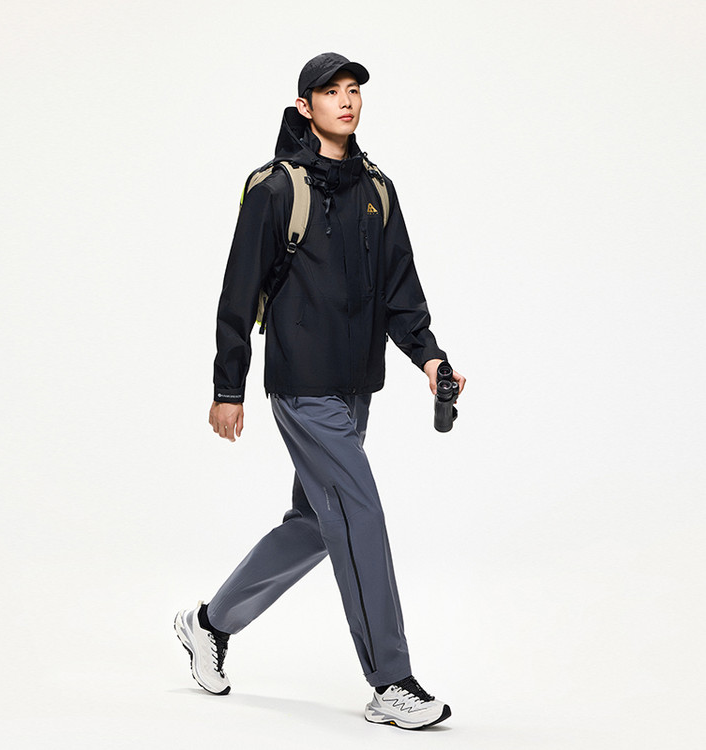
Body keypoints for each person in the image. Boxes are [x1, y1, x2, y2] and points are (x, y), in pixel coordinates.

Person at [174, 52, 466, 730]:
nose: (347, 100)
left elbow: (401, 291)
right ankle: (391, 681)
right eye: (331, 91)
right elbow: (237, 292)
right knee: (360, 512)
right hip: (302, 385)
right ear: (305, 106)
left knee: (315, 524)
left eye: (353, 89)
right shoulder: (276, 188)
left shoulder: (378, 188)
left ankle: (209, 623)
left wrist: (429, 358)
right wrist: (228, 387)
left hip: (357, 384)